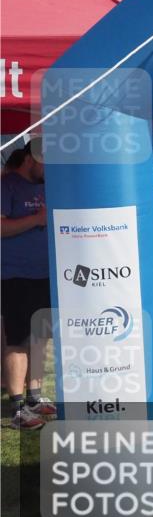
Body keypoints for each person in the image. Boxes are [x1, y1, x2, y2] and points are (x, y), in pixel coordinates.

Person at [1, 139, 57, 429]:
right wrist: (37, 218)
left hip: (45, 273)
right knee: (18, 339)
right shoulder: (7, 185)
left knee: (40, 337)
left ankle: (34, 396)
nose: (49, 168)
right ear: (29, 160)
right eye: (45, 162)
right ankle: (18, 407)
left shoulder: (45, 185)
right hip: (15, 275)